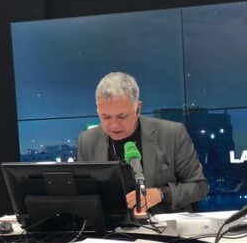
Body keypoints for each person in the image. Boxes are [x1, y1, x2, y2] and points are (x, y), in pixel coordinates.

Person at [77, 72, 207, 214]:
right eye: (106, 117)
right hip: (111, 225)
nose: (114, 125)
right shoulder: (87, 141)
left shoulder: (172, 134)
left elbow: (199, 187)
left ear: (138, 109)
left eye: (122, 116)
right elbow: (82, 195)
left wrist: (162, 194)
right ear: (98, 111)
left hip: (161, 223)